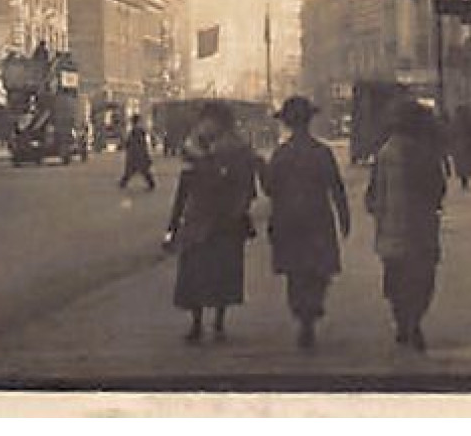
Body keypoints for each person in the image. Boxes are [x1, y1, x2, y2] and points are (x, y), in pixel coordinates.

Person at [164, 101, 259, 343]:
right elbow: (249, 189)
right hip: (223, 221)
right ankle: (215, 324)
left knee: (198, 272)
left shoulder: (197, 147)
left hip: (203, 220)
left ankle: (202, 324)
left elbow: (183, 191)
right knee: (220, 272)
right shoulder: (238, 149)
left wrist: (173, 227)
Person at [261, 96, 350, 350]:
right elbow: (336, 187)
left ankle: (304, 317)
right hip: (317, 218)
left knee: (296, 272)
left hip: (288, 220)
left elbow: (270, 189)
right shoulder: (321, 152)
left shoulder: (281, 154)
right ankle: (311, 313)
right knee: (317, 271)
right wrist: (344, 217)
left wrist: (261, 172)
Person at [365, 99, 446, 351]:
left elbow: (372, 196)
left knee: (396, 280)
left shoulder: (383, 153)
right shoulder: (427, 153)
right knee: (422, 280)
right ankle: (415, 320)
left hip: (391, 231)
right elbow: (438, 189)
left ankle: (403, 321)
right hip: (422, 231)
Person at [119, 114, 156, 190]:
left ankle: (123, 183)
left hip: (136, 154)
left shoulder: (135, 131)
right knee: (140, 170)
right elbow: (141, 143)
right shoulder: (138, 130)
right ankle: (123, 182)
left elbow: (133, 143)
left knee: (135, 170)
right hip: (138, 153)